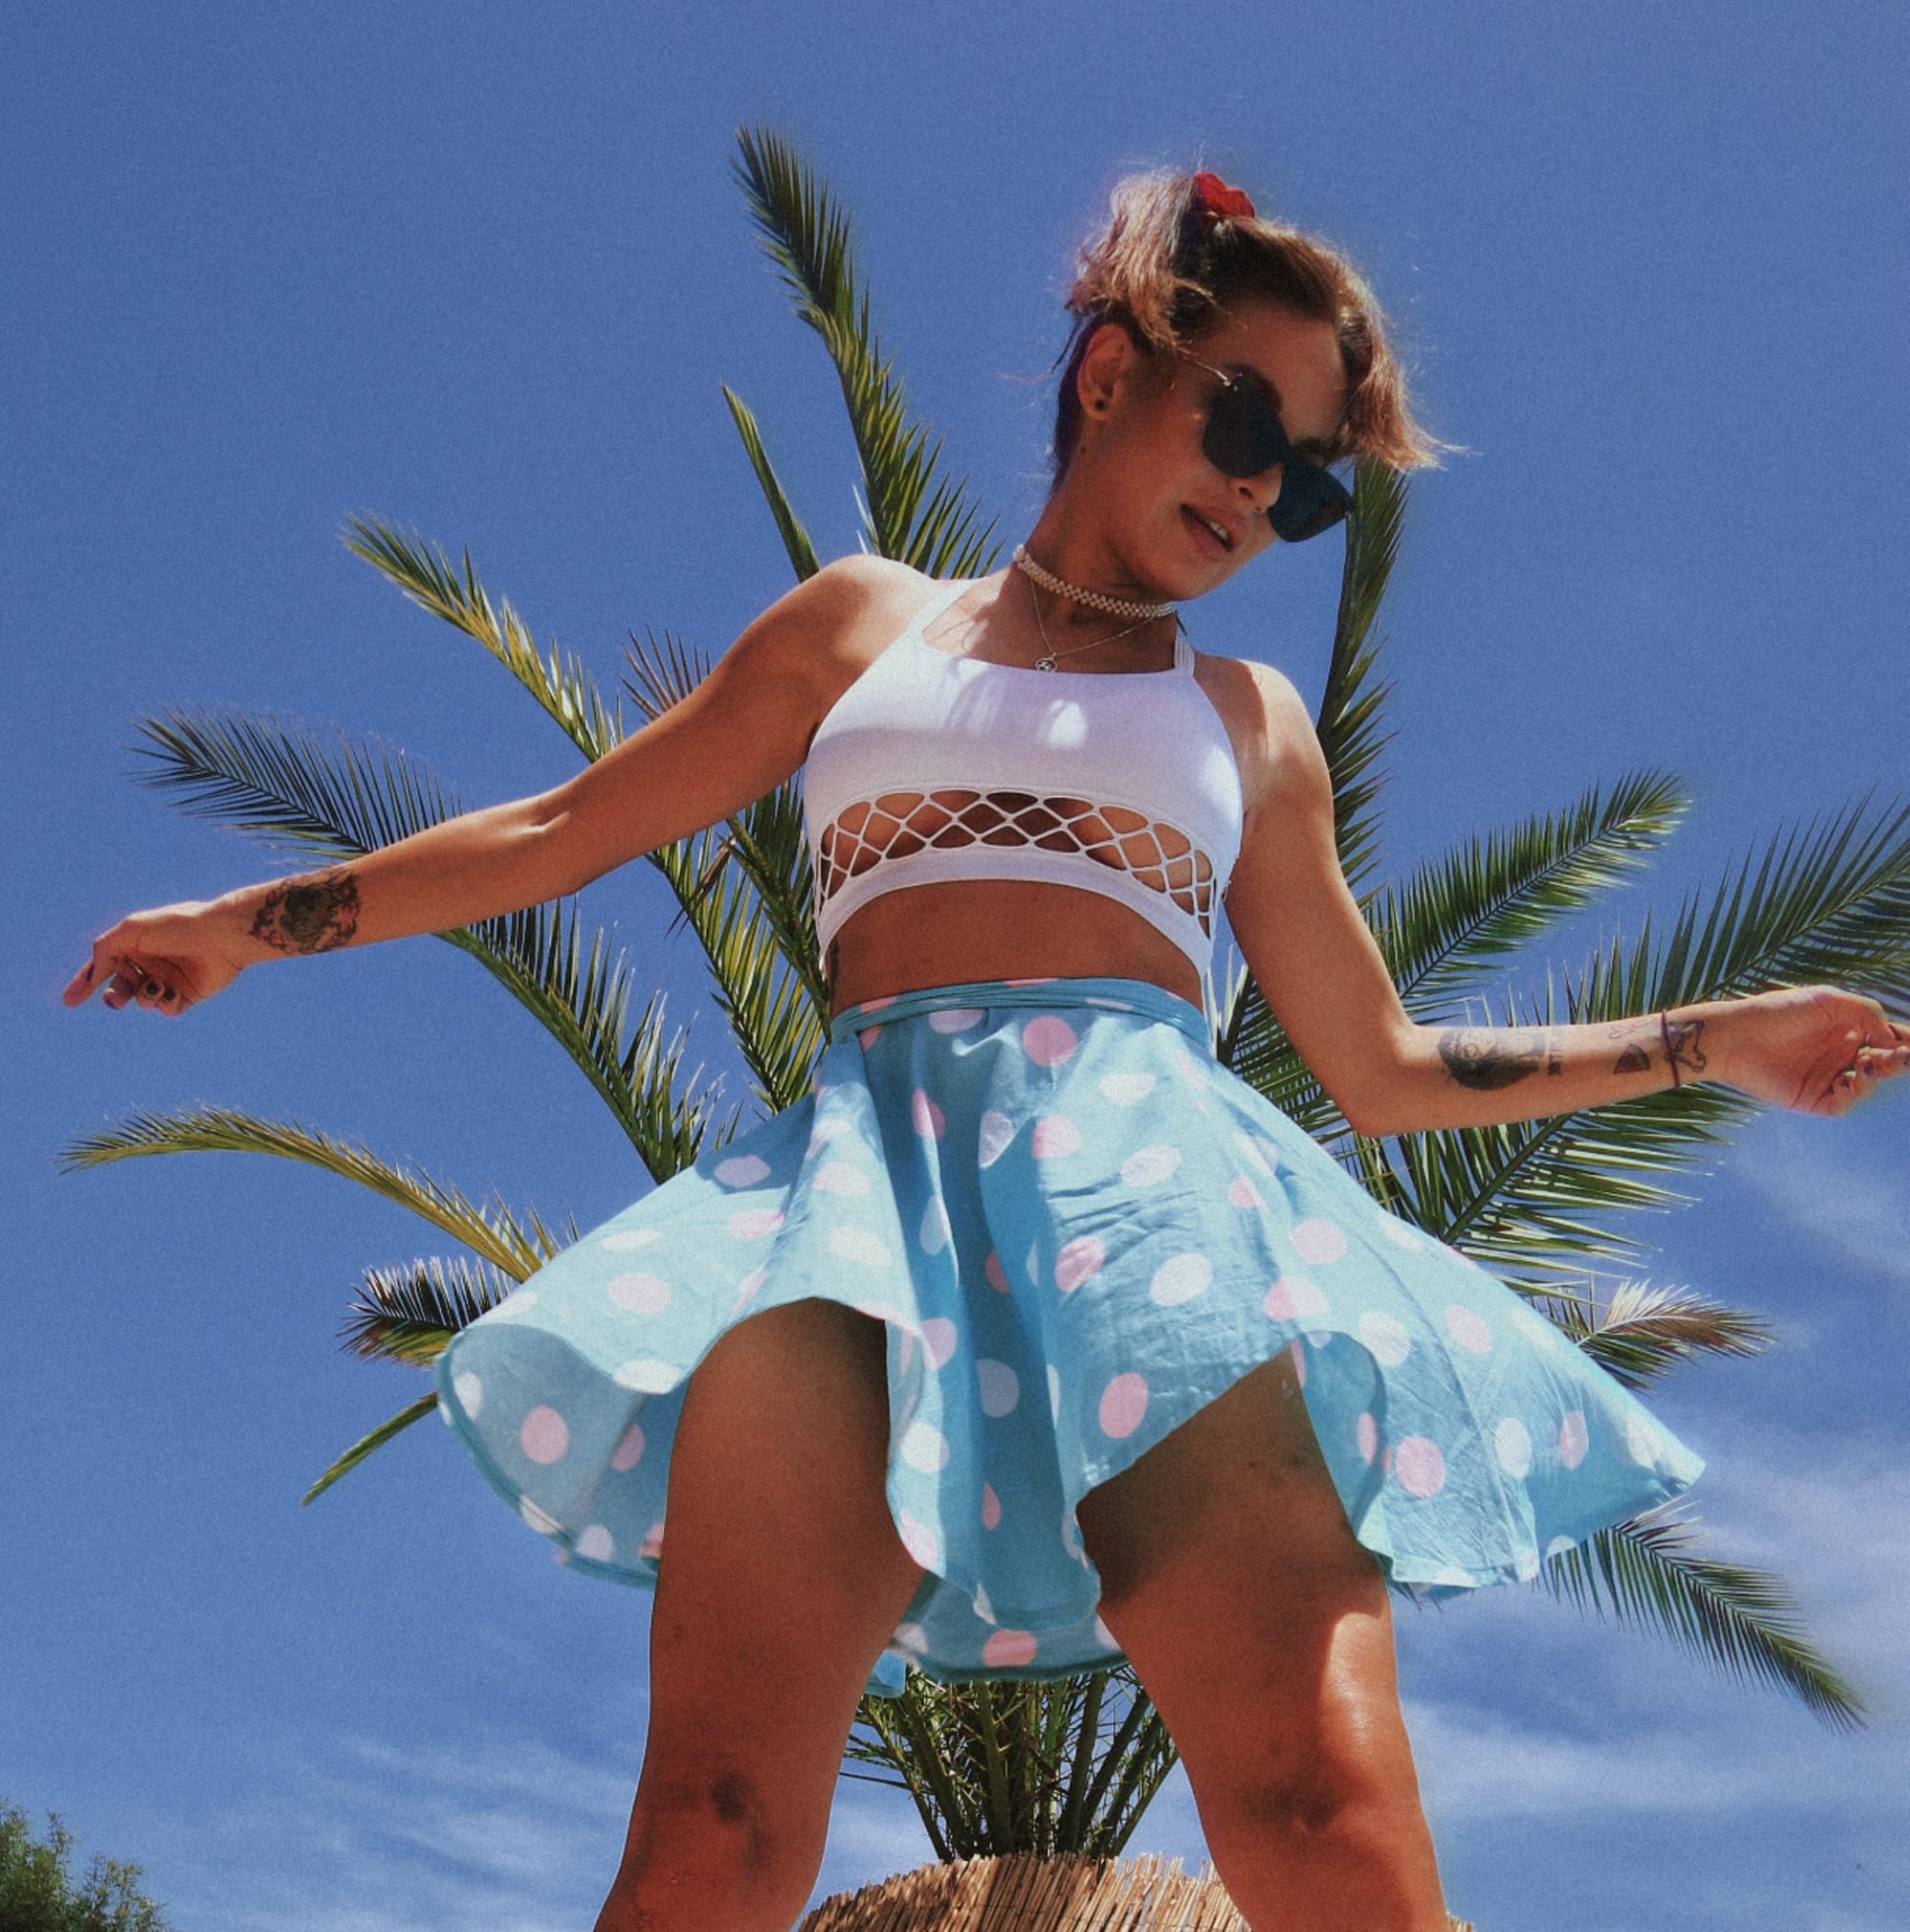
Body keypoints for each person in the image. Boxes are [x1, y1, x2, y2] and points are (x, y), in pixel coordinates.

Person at [66, 169, 1909, 1932]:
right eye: (1242, 420)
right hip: (847, 1225)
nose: (1259, 491)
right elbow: (561, 832)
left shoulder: (1250, 723)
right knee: (708, 1839)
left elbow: (1387, 1069)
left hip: (1162, 1225)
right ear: (1112, 370)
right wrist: (243, 925)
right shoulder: (863, 625)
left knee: (1323, 1818)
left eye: (1305, 482)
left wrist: (1717, 1038)